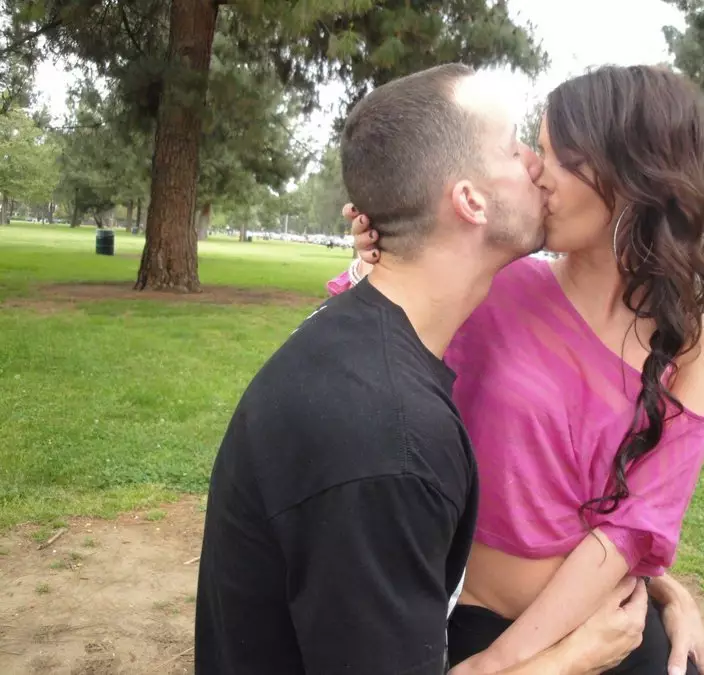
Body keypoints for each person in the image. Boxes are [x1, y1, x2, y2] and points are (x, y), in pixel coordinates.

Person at [194, 63, 654, 675]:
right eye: (514, 146)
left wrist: (659, 586)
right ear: (470, 201)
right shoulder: (388, 437)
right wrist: (572, 658)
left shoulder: (357, 346)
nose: (536, 165)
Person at [329, 64, 704, 675]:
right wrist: (380, 257)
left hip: (607, 635)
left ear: (631, 175)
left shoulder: (699, 346)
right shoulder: (501, 284)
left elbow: (633, 527)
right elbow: (374, 338)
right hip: (471, 619)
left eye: (557, 156)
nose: (536, 171)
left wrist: (502, 664)